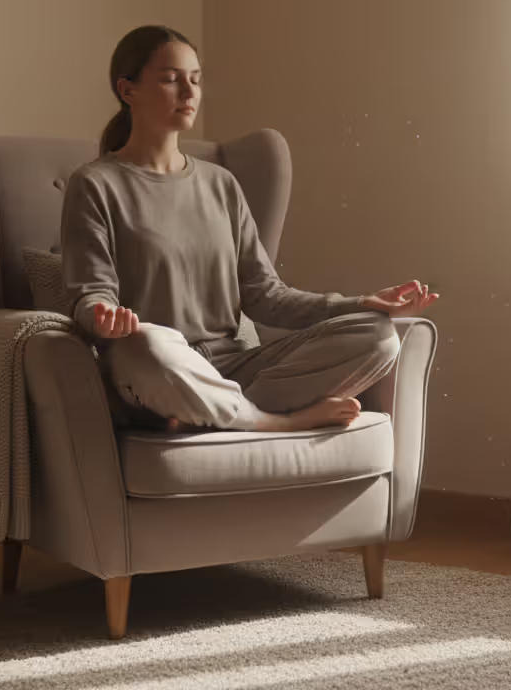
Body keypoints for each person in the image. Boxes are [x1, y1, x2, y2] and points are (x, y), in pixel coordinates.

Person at [59, 25, 437, 434]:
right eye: (171, 79)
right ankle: (274, 422)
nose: (189, 93)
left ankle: (214, 413)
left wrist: (364, 303)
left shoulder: (221, 184)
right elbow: (88, 293)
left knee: (378, 337)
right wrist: (104, 317)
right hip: (157, 369)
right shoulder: (95, 184)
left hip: (232, 368)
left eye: (196, 79)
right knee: (146, 343)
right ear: (127, 90)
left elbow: (266, 297)